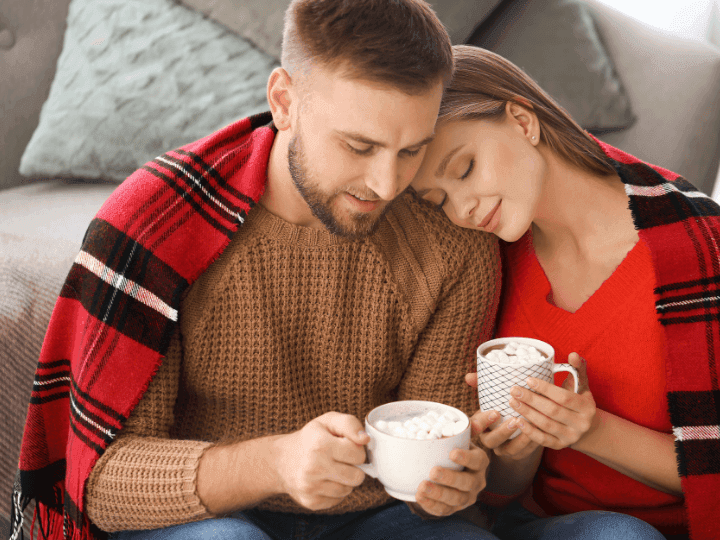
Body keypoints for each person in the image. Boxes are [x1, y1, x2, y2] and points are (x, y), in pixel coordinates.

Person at [12, 3, 505, 540]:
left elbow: (428, 462)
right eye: (359, 146)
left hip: (370, 516)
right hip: (206, 519)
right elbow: (102, 486)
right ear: (284, 102)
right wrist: (276, 463)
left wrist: (447, 486)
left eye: (412, 150)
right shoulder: (160, 225)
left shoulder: (452, 246)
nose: (387, 184)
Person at [410, 45, 720, 540]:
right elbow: (504, 493)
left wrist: (593, 432)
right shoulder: (486, 257)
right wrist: (520, 447)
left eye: (464, 168)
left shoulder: (697, 252)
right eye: (438, 198)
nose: (461, 209)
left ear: (521, 120)